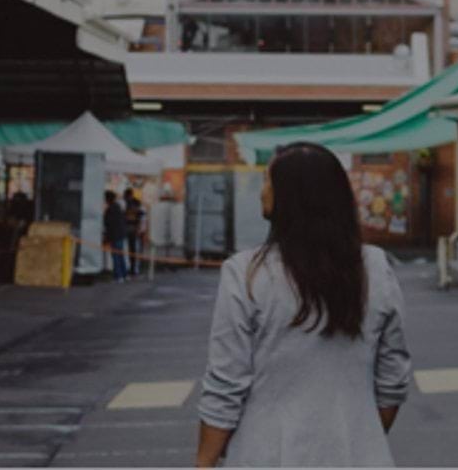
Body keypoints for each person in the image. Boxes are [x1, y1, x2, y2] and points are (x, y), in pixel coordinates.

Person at [197, 142, 412, 467]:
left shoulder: (245, 274)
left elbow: (225, 383)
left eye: (268, 181)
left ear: (292, 196)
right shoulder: (375, 268)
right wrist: (357, 433)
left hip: (267, 455)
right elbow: (392, 377)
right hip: (358, 455)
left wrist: (204, 461)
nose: (261, 191)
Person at [102, 189, 129, 282]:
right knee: (120, 255)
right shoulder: (118, 207)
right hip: (120, 234)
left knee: (116, 256)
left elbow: (109, 224)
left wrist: (106, 238)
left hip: (115, 235)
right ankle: (124, 274)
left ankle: (118, 276)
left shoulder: (110, 209)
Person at [123, 188, 147, 277]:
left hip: (133, 231)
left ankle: (133, 268)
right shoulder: (136, 204)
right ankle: (133, 268)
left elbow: (140, 217)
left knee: (133, 250)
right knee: (133, 250)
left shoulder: (133, 205)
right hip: (134, 230)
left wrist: (139, 229)